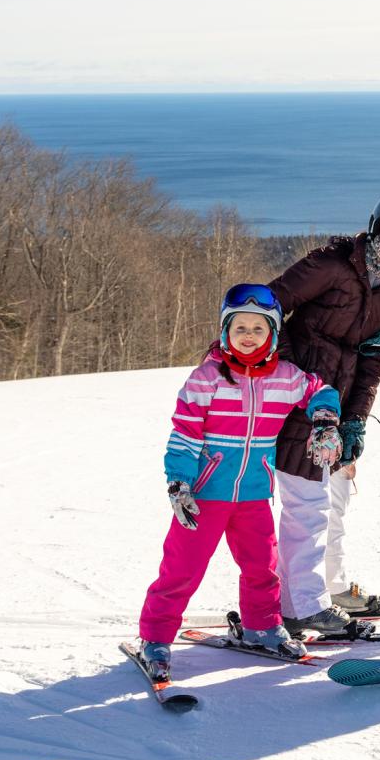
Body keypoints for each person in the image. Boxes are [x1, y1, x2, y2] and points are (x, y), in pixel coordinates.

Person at [136, 284, 343, 678]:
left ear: (273, 335)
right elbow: (183, 437)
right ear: (225, 331)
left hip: (253, 495)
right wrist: (179, 483)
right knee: (182, 569)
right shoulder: (207, 378)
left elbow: (321, 392)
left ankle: (262, 626)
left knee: (262, 567)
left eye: (259, 329)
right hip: (205, 496)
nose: (249, 336)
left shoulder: (286, 377)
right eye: (240, 328)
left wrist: (325, 423)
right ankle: (156, 638)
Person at [267, 191, 380, 632]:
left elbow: (376, 359)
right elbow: (266, 305)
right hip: (292, 395)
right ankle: (299, 605)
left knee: (333, 494)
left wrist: (356, 418)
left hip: (332, 405)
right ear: (378, 225)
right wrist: (285, 368)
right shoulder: (333, 264)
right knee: (306, 502)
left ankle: (323, 588)